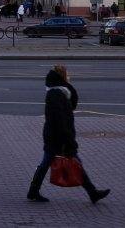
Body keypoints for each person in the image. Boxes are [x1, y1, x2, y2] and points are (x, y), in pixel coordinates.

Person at [26, 65, 110, 204]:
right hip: (58, 137)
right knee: (72, 162)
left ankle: (33, 191)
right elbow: (59, 119)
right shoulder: (56, 94)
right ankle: (92, 193)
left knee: (47, 163)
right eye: (67, 74)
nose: (69, 76)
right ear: (62, 76)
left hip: (54, 135)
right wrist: (68, 139)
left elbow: (68, 109)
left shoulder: (59, 92)